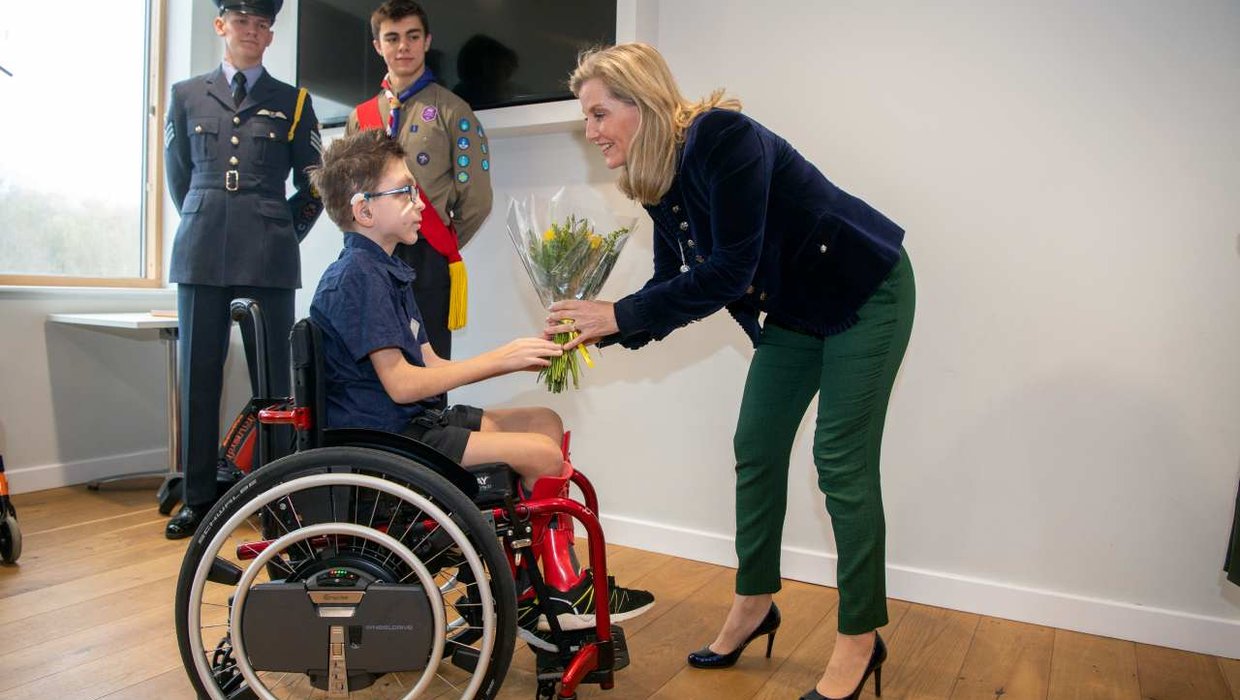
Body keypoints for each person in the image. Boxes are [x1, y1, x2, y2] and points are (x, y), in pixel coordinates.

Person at [550, 43, 914, 700]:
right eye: (588, 118)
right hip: (798, 312)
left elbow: (730, 271)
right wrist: (592, 332)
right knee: (756, 446)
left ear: (644, 103)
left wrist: (618, 315)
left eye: (600, 113)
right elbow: (672, 284)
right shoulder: (658, 179)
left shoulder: (724, 137)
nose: (592, 130)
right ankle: (754, 603)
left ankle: (861, 638)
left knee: (839, 461)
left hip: (865, 289)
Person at [307, 130, 653, 642]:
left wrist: (528, 350)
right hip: (389, 441)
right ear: (363, 211)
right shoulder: (357, 278)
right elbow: (403, 385)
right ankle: (562, 588)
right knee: (540, 455)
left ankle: (529, 582)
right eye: (404, 192)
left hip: (408, 425)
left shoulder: (385, 271)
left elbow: (427, 362)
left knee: (546, 423)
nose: (420, 202)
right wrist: (502, 359)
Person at [164, 0, 323, 539]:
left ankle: (276, 500)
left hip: (269, 255)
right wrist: (208, 215)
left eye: (262, 24)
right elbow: (180, 178)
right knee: (198, 377)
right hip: (201, 249)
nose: (251, 31)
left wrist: (282, 229)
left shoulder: (293, 101)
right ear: (220, 26)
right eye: (241, 21)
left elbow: (314, 184)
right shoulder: (185, 96)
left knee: (276, 386)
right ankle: (197, 497)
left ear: (271, 35)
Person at [345, 0, 494, 393]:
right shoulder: (360, 117)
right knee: (375, 366)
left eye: (412, 36)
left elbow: (477, 198)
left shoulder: (453, 111)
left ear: (427, 41)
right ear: (378, 45)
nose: (403, 47)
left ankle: (429, 450)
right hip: (370, 257)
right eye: (392, 38)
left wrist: (438, 242)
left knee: (431, 368)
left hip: (427, 256)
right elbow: (345, 190)